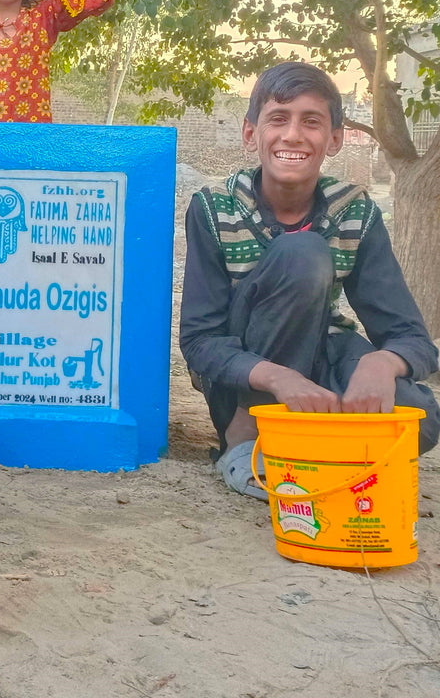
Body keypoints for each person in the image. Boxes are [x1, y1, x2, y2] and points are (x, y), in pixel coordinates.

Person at [180, 62, 440, 500]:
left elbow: (411, 337)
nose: (294, 135)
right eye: (278, 119)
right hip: (249, 374)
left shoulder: (355, 211)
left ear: (335, 139)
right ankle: (247, 435)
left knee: (418, 415)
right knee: (303, 252)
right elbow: (199, 340)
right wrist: (278, 379)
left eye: (312, 122)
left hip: (322, 351)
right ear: (251, 134)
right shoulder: (213, 207)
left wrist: (380, 365)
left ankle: (310, 441)